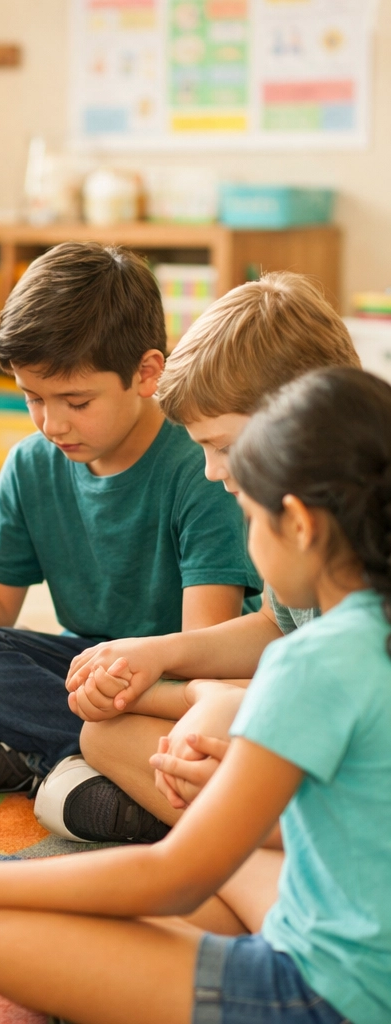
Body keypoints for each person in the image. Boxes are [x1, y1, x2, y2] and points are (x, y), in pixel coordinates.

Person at [0, 366, 391, 1024]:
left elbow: (175, 874)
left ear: (301, 525)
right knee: (194, 881)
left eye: (250, 517)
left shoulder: (310, 662)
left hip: (324, 996)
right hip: (349, 921)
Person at [0, 242, 259, 811]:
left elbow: (202, 646)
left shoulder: (201, 467)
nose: (51, 423)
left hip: (176, 673)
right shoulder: (30, 464)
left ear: (146, 373)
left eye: (76, 400)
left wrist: (135, 674)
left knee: (198, 707)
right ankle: (84, 759)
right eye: (32, 398)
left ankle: (39, 754)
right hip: (90, 667)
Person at [48, 273, 360, 847]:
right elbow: (274, 624)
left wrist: (197, 697)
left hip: (353, 764)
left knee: (192, 729)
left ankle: (240, 838)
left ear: (305, 420)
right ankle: (243, 833)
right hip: (298, 734)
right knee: (101, 734)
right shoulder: (274, 518)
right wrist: (161, 652)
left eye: (225, 447)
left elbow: (328, 703)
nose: (214, 473)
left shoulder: (348, 535)